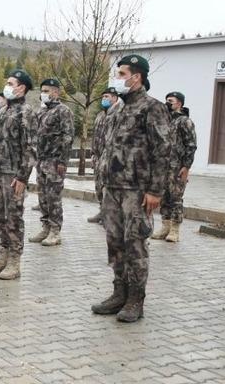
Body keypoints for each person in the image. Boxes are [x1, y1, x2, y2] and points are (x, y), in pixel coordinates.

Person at [91, 54, 171, 323]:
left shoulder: (153, 108)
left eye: (122, 74)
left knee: (135, 243)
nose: (118, 79)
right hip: (113, 188)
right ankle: (119, 292)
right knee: (114, 242)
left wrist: (156, 191)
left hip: (136, 190)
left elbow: (162, 152)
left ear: (137, 77)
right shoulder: (118, 109)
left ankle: (136, 299)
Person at [0, 69, 37, 280]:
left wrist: (23, 176)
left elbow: (31, 148)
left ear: (21, 87)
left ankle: (15, 260)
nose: (7, 86)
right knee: (0, 217)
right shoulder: (3, 111)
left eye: (10, 83)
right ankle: (3, 255)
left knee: (13, 218)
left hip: (13, 175)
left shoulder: (26, 112)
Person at [29, 78, 74, 247]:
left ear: (56, 92)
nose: (43, 94)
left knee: (53, 196)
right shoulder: (41, 112)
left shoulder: (63, 111)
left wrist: (63, 160)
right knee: (42, 195)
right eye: (42, 91)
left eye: (47, 91)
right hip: (42, 160)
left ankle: (55, 230)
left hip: (55, 161)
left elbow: (68, 137)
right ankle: (45, 226)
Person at [152, 91, 197, 243]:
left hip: (177, 166)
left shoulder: (185, 121)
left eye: (170, 100)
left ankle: (175, 229)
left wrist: (186, 166)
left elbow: (191, 145)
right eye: (166, 100)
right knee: (164, 197)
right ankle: (165, 227)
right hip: (162, 166)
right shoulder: (164, 120)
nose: (167, 103)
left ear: (179, 103)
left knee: (176, 198)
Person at [88, 87, 122, 225]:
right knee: (98, 186)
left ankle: (109, 215)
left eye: (107, 96)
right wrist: (92, 153)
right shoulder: (100, 115)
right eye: (103, 97)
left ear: (115, 98)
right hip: (98, 157)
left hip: (109, 157)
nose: (104, 99)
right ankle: (102, 211)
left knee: (107, 188)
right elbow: (95, 135)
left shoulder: (118, 114)